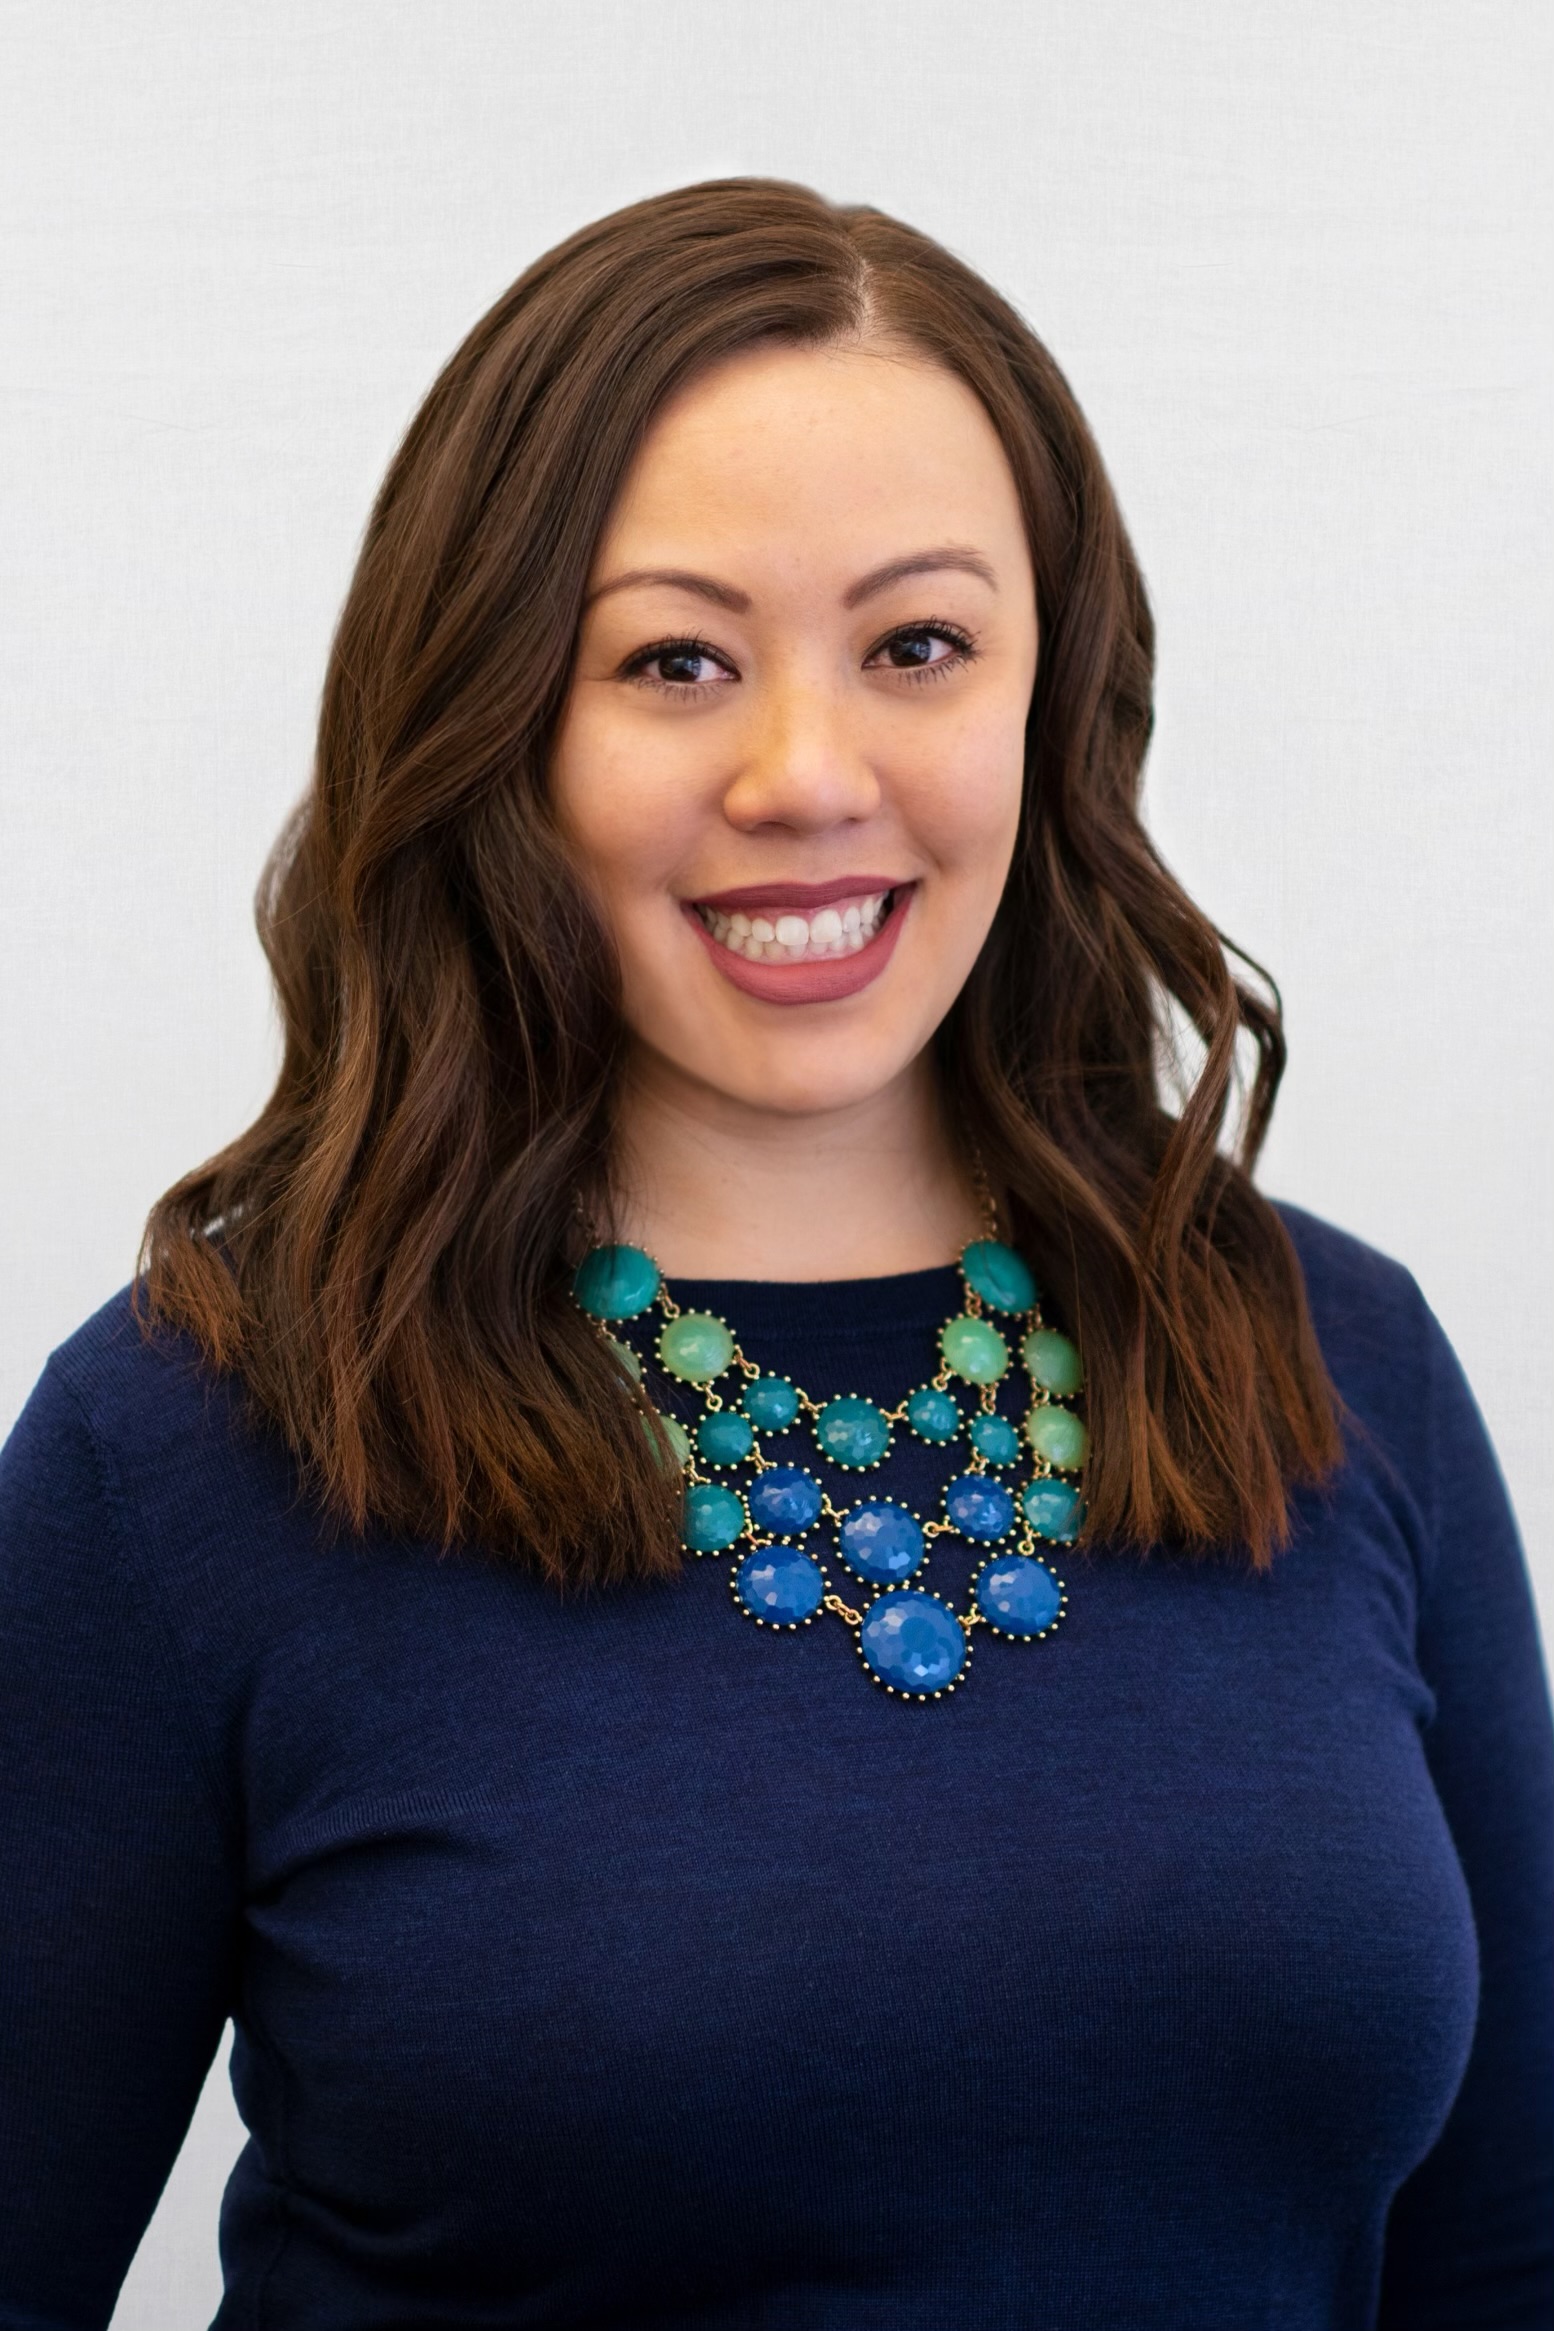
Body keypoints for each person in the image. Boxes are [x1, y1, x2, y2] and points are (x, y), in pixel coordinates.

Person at [1, 177, 1549, 2331]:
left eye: (917, 645)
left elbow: (1505, 2259)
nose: (805, 773)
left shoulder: (1334, 1352)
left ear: (1051, 687)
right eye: (675, 661)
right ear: (500, 719)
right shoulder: (190, 1435)